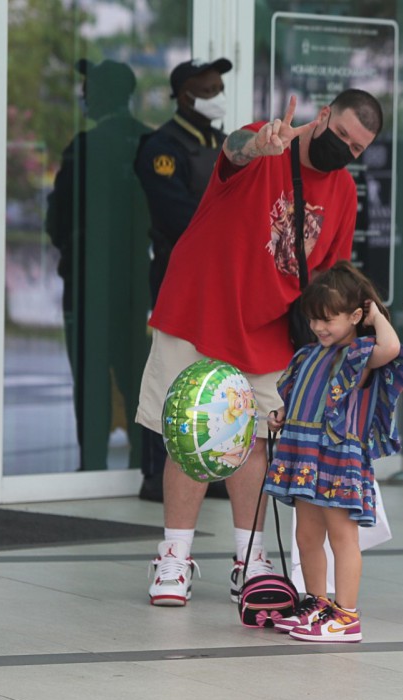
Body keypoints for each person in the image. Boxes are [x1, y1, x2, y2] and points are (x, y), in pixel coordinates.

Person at [135, 89, 385, 607]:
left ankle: (250, 559)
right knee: (190, 433)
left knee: (255, 443)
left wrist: (347, 342)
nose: (345, 150)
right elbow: (234, 149)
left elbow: (332, 279)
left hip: (272, 329)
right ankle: (174, 556)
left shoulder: (343, 192)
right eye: (341, 134)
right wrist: (258, 145)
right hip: (202, 308)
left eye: (357, 148)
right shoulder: (269, 144)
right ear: (321, 118)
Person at [264, 262, 403, 643]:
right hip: (306, 455)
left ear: (356, 315)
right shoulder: (310, 355)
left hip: (337, 456)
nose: (318, 327)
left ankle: (346, 614)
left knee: (342, 537)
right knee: (307, 536)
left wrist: (376, 317)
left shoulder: (360, 353)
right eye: (313, 320)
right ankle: (317, 602)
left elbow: (391, 347)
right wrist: (282, 414)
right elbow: (300, 396)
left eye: (327, 319)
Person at [45, 58, 153, 472]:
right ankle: (144, 467)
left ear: (101, 95)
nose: (83, 97)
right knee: (137, 380)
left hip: (88, 289)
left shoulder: (84, 148)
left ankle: (91, 469)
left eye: (87, 90)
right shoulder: (150, 143)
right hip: (136, 289)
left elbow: (57, 221)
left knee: (91, 385)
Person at [133, 57, 233, 502]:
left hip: (222, 279)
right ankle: (158, 474)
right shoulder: (162, 148)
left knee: (214, 375)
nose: (218, 95)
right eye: (209, 89)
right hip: (178, 276)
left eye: (219, 86)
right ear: (185, 95)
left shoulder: (225, 143)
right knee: (172, 372)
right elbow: (178, 216)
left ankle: (207, 466)